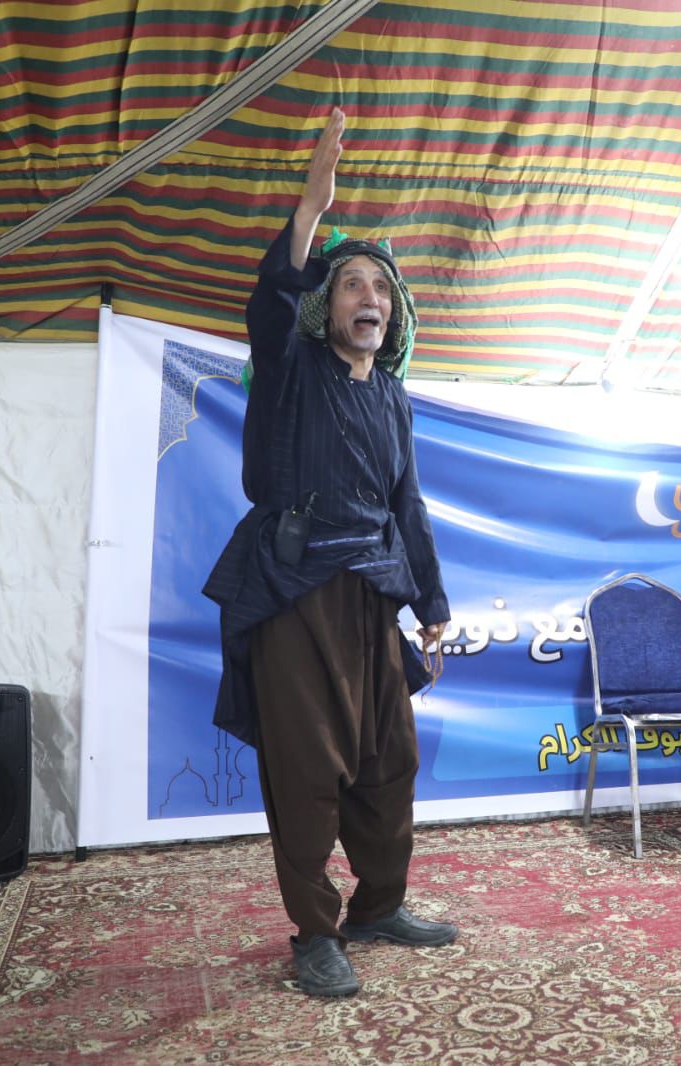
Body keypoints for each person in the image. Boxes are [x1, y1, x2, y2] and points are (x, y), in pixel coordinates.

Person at [202, 108, 455, 998]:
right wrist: (308, 215)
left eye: (380, 289)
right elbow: (272, 306)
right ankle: (315, 931)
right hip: (292, 590)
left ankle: (380, 906)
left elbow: (406, 504)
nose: (368, 298)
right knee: (308, 770)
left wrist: (431, 606)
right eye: (351, 285)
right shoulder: (293, 368)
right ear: (326, 306)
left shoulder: (392, 398)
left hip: (372, 593)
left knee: (390, 761)